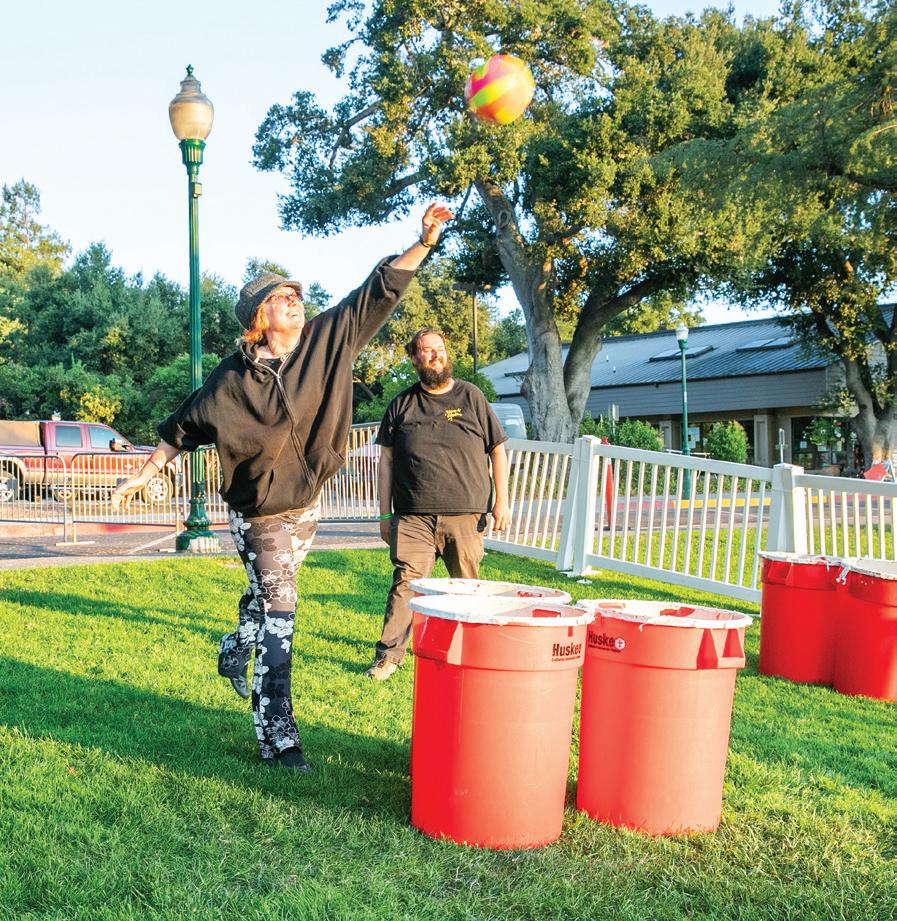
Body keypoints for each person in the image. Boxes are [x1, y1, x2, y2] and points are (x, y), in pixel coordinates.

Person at [111, 203, 453, 771]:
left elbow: (378, 291)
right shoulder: (230, 379)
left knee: (264, 598)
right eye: (279, 297)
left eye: (294, 293)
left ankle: (233, 649)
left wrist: (423, 242)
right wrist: (144, 473)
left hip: (306, 507)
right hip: (257, 514)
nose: (293, 299)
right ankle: (278, 739)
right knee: (281, 611)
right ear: (258, 318)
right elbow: (181, 429)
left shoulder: (327, 341)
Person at [365, 328, 511, 680]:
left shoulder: (471, 397)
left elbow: (498, 451)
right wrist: (384, 514)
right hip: (412, 516)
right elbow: (386, 462)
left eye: (440, 349)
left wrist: (502, 501)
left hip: (464, 513)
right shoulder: (401, 404)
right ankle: (388, 657)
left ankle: (474, 653)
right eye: (427, 350)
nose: (436, 355)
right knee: (406, 583)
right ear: (414, 358)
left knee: (466, 585)